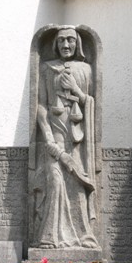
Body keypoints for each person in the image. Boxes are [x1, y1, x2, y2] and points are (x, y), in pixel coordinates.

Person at [33, 27, 99, 249]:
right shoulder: (46, 68)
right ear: (55, 44)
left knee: (77, 186)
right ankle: (50, 238)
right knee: (55, 182)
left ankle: (84, 236)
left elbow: (90, 103)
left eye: (71, 40)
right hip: (55, 139)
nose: (66, 45)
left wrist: (75, 90)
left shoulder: (86, 70)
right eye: (61, 41)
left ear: (77, 44)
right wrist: (49, 139)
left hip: (78, 140)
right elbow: (41, 105)